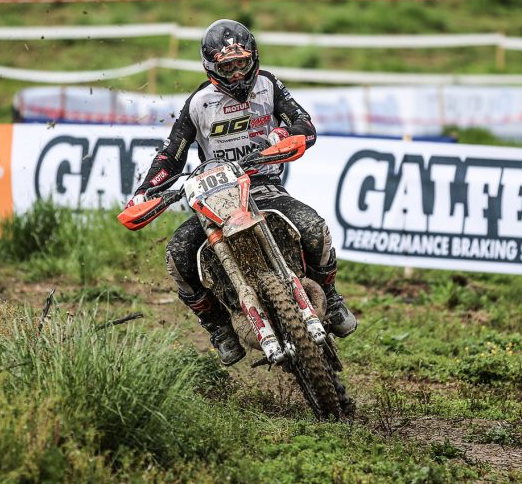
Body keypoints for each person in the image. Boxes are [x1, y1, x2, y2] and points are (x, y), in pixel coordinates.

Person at [126, 19, 357, 365]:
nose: (236, 74)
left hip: (264, 187)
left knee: (314, 229)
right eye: (227, 68)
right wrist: (146, 191)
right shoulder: (198, 103)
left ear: (253, 59)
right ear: (211, 68)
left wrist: (285, 135)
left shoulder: (268, 85)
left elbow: (304, 123)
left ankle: (331, 298)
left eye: (241, 64)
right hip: (216, 198)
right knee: (178, 256)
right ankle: (218, 326)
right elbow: (171, 155)